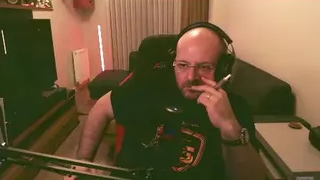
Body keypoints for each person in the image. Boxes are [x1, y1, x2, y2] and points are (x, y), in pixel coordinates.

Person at [64, 23, 266, 179]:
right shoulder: (150, 86)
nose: (191, 77)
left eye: (205, 67)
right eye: (183, 65)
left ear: (223, 70)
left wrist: (229, 126)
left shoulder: (233, 108)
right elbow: (101, 108)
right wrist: (83, 161)